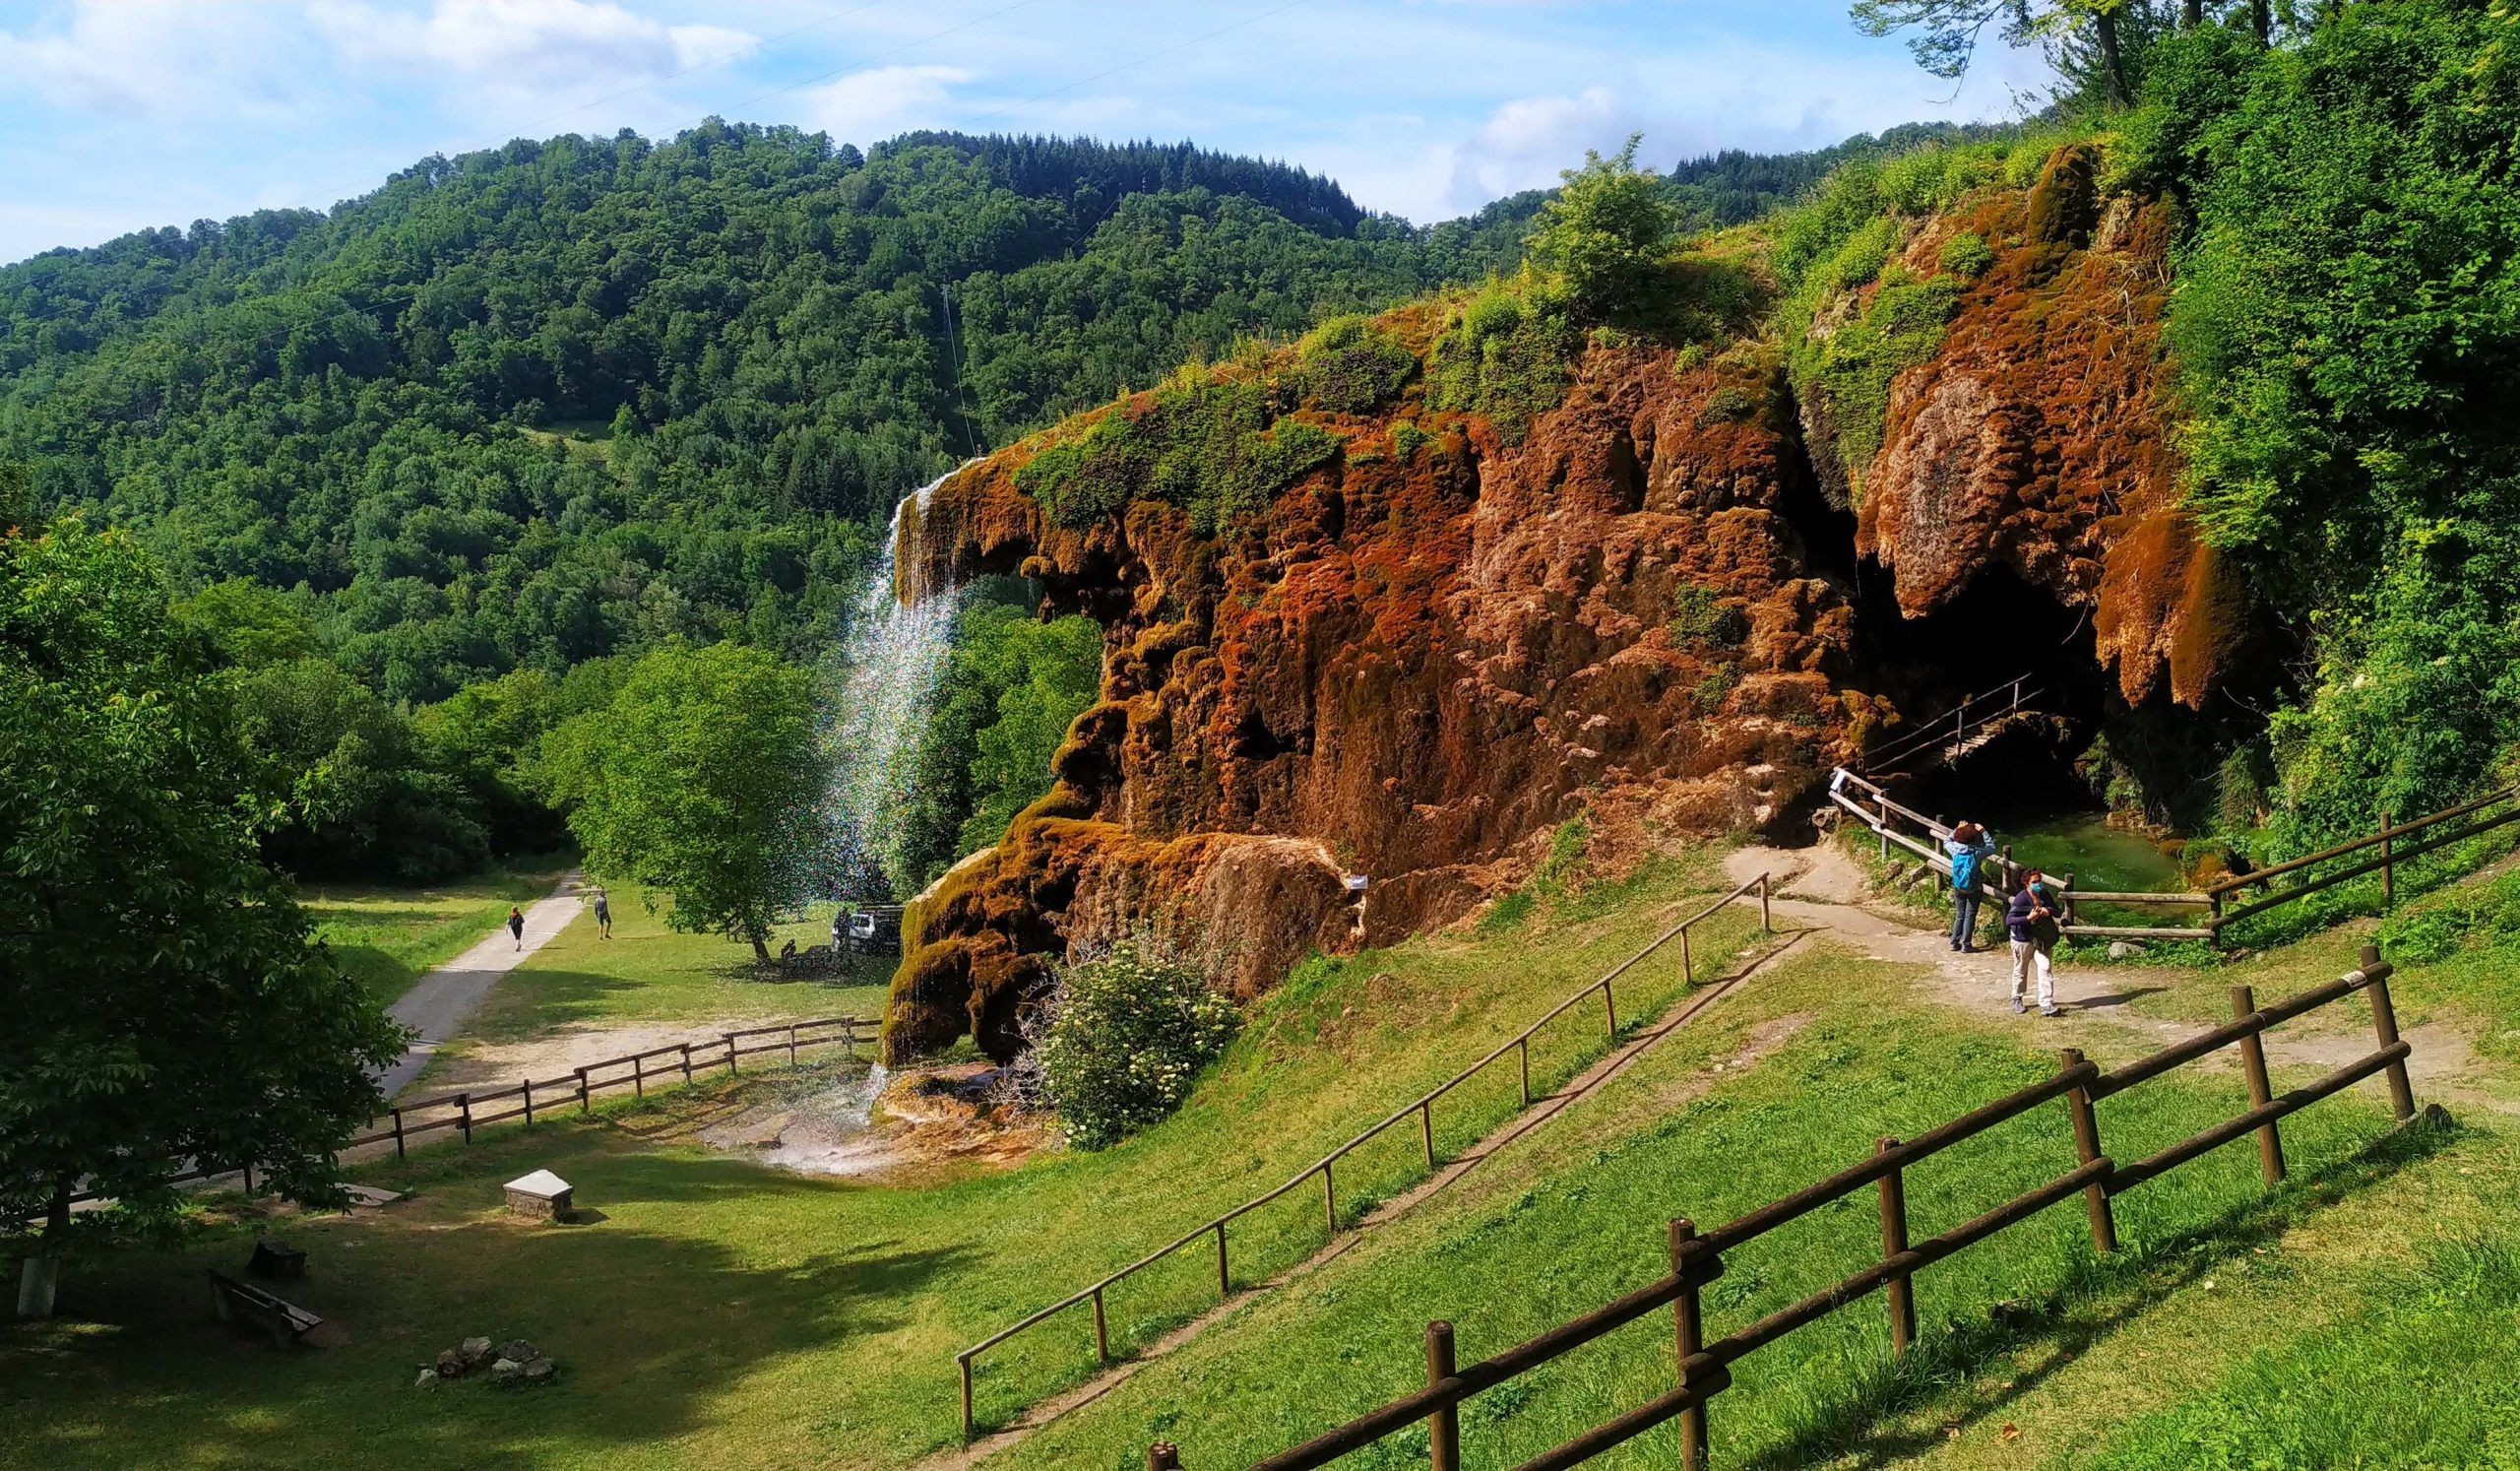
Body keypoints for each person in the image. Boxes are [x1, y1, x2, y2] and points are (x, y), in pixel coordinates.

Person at [2005, 869, 2067, 1017]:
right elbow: (2009, 920)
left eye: (2039, 880)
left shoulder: (2044, 894)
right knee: (2021, 969)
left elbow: (2057, 912)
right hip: (2022, 939)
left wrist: (2048, 910)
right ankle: (2017, 997)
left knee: (2045, 967)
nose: (2038, 884)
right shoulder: (2021, 899)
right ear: (2026, 883)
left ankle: (2046, 1004)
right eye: (2034, 882)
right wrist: (2028, 918)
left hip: (2041, 939)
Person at [1945, 820, 1995, 953]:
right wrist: (1984, 831)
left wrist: (1957, 828)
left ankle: (1954, 942)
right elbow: (1991, 847)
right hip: (1974, 887)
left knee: (1960, 914)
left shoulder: (1954, 849)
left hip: (1958, 886)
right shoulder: (1977, 853)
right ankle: (1966, 944)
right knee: (1970, 915)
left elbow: (1947, 841)